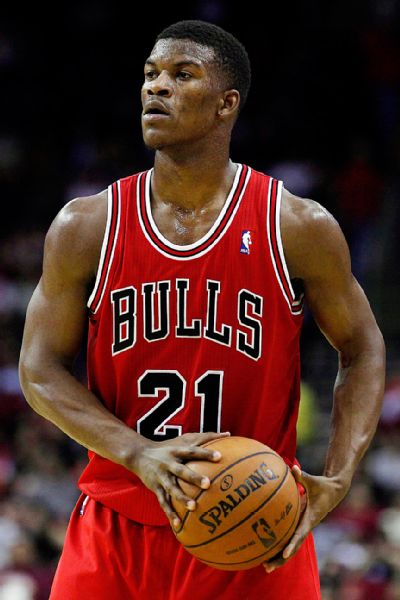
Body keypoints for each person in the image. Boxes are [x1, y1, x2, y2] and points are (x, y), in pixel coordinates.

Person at [18, 19, 385, 600]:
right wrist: (138, 453)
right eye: (150, 74)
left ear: (226, 104)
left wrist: (337, 478)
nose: (156, 86)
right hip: (118, 525)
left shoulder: (295, 225)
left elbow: (362, 348)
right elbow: (38, 369)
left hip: (254, 526)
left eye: (182, 74)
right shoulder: (86, 226)